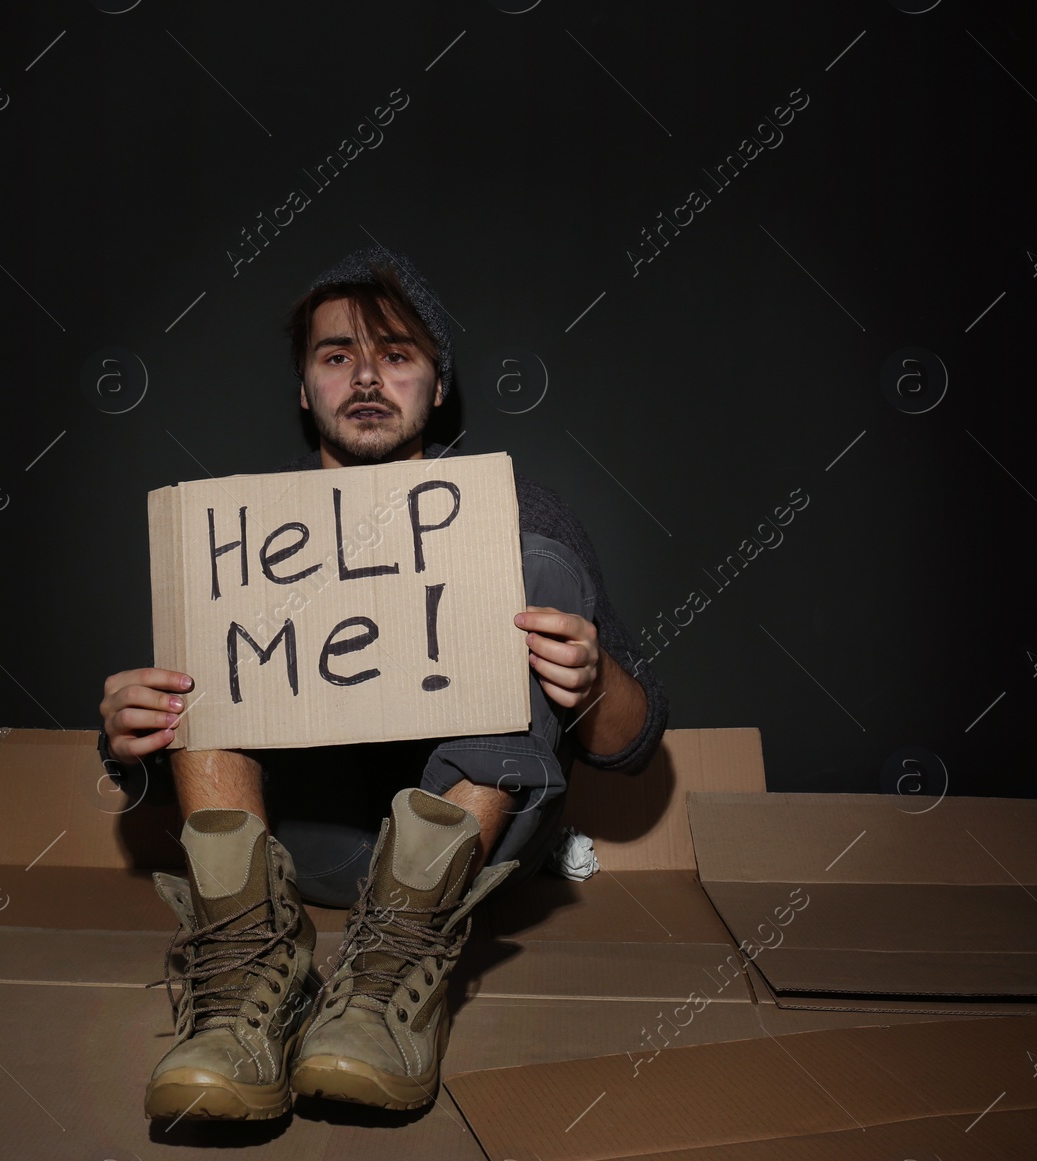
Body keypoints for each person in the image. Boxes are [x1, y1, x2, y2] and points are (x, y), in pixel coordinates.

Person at [97, 245, 669, 1122]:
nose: (367, 376)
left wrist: (588, 675)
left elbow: (634, 744)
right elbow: (161, 738)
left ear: (438, 387)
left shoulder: (516, 508)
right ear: (304, 390)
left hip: (458, 857)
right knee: (219, 602)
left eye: (397, 354)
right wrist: (128, 728)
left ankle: (390, 979)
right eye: (337, 357)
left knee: (532, 563)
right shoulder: (248, 530)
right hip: (301, 850)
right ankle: (249, 973)